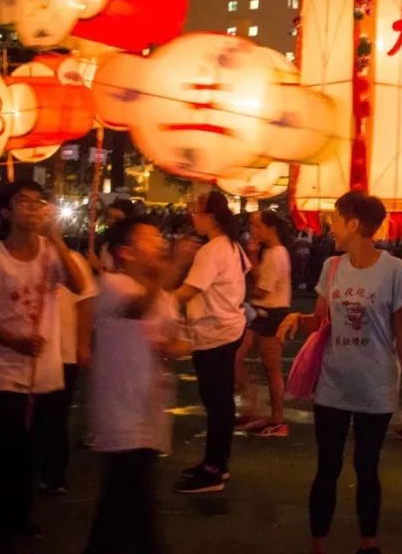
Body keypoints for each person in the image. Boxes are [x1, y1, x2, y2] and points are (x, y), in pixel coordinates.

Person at [277, 191, 402, 554]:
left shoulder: (393, 269)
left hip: (376, 385)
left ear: (354, 224)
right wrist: (298, 317)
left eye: (336, 219)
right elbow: (321, 321)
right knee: (327, 466)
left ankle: (368, 543)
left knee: (366, 468)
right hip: (333, 382)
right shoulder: (332, 266)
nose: (331, 226)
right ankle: (318, 543)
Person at [0, 181, 87, 550]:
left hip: (43, 370)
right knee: (4, 448)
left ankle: (20, 515)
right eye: (23, 203)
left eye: (39, 203)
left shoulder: (50, 253)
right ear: (6, 212)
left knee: (32, 449)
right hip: (3, 369)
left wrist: (59, 241)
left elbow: (80, 284)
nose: (33, 209)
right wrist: (14, 340)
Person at [85, 216, 189, 554]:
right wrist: (174, 266)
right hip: (119, 414)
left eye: (160, 237)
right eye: (150, 239)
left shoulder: (166, 298)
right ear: (126, 253)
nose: (159, 243)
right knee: (128, 501)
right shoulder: (113, 285)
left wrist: (173, 348)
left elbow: (179, 342)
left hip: (150, 413)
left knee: (124, 503)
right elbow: (136, 309)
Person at [168, 190, 251, 494]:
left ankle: (214, 469)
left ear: (211, 217)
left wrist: (159, 302)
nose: (193, 216)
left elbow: (190, 289)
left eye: (197, 212)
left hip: (214, 333)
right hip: (226, 330)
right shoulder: (230, 246)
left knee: (217, 404)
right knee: (220, 403)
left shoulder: (212, 250)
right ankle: (216, 463)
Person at [36, 248, 97, 494]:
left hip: (64, 350)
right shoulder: (18, 259)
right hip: (29, 351)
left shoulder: (72, 260)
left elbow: (85, 302)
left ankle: (54, 472)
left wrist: (82, 344)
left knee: (55, 415)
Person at [235, 210, 294, 437]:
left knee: (272, 369)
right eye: (252, 226)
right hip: (263, 313)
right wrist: (253, 255)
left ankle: (277, 419)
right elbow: (261, 278)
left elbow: (262, 288)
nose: (253, 231)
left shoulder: (278, 253)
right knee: (238, 358)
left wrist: (238, 291)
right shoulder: (271, 252)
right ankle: (255, 409)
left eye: (258, 226)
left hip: (272, 314)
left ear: (272, 229)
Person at [87, 199, 134, 274]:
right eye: (110, 217)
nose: (112, 222)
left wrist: (98, 267)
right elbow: (98, 231)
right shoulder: (105, 231)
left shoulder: (130, 247)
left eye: (117, 219)